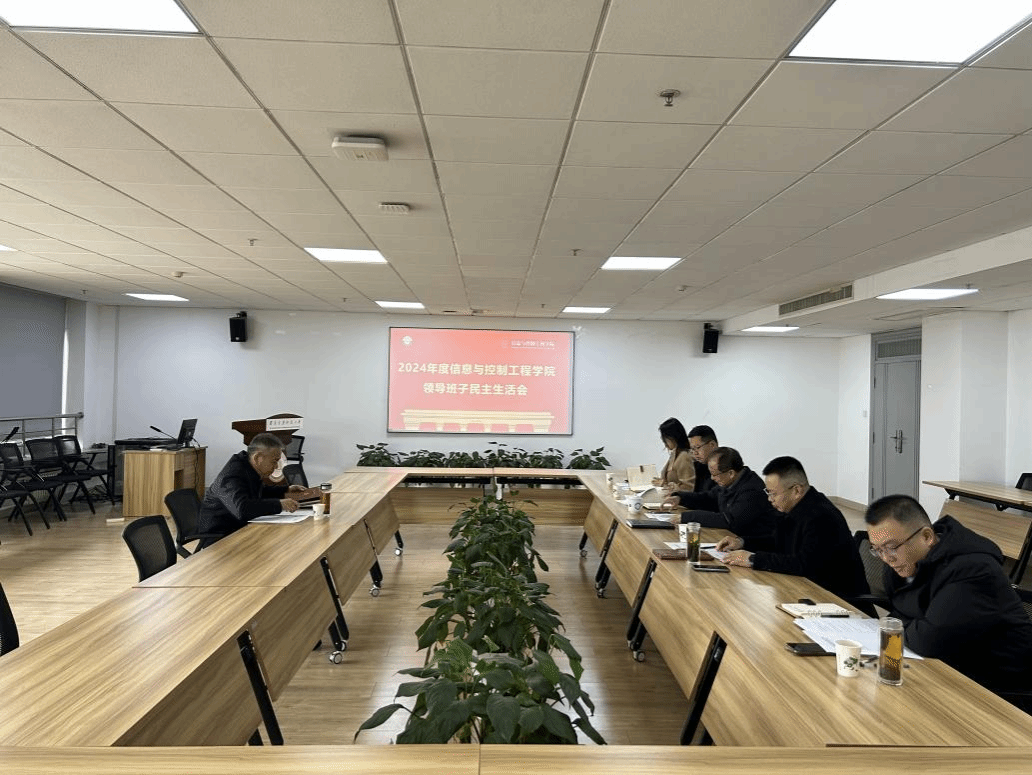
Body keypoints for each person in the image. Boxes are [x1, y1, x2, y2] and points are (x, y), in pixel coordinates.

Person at [865, 494, 1032, 694]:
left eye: (891, 547)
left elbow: (929, 640)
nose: (886, 558)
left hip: (1003, 687)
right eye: (877, 550)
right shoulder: (901, 565)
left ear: (927, 537)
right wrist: (915, 625)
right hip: (951, 668)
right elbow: (902, 617)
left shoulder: (973, 569)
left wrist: (903, 627)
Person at [716, 456, 868, 599]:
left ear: (796, 490)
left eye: (773, 494)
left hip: (837, 599)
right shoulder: (796, 508)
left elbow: (803, 564)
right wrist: (742, 542)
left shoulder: (821, 516)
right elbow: (776, 541)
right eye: (768, 492)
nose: (769, 499)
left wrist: (752, 559)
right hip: (806, 589)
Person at [196, 433, 319, 547]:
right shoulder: (231, 476)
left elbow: (259, 492)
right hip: (219, 541)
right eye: (274, 461)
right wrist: (279, 504)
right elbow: (242, 509)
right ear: (258, 458)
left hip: (239, 530)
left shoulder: (247, 467)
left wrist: (286, 490)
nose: (276, 466)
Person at [672, 447, 778, 538]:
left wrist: (687, 517)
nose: (712, 478)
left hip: (751, 546)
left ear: (731, 473)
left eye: (714, 474)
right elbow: (708, 498)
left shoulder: (751, 490)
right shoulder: (729, 482)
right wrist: (680, 498)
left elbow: (729, 520)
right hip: (730, 539)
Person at [663, 425, 718, 508]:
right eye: (692, 449)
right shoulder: (697, 466)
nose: (695, 453)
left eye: (697, 448)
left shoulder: (725, 466)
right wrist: (676, 493)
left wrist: (681, 498)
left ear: (712, 445)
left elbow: (710, 500)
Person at [651, 417, 695, 492]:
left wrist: (666, 485)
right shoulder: (674, 454)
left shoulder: (684, 456)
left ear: (674, 438)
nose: (664, 443)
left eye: (665, 439)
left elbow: (688, 487)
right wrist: (663, 483)